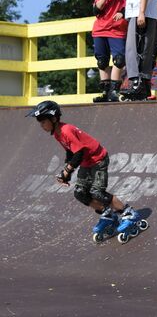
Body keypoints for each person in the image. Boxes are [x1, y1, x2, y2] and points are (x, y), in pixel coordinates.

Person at [26, 100, 146, 243]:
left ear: (53, 118)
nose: (41, 125)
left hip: (98, 160)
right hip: (86, 163)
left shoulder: (66, 130)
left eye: (42, 121)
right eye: (39, 122)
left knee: (97, 192)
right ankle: (107, 213)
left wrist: (68, 170)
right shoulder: (57, 133)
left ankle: (129, 213)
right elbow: (71, 153)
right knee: (80, 193)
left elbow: (80, 153)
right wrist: (66, 173)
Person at [121, 0, 157, 101]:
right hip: (136, 12)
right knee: (132, 48)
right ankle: (138, 84)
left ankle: (140, 84)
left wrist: (141, 12)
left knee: (139, 48)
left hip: (142, 13)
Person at [91, 0, 128, 103]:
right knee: (102, 61)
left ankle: (114, 91)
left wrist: (122, 12)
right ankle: (105, 92)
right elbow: (96, 10)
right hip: (100, 29)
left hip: (117, 30)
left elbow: (132, 5)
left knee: (119, 59)